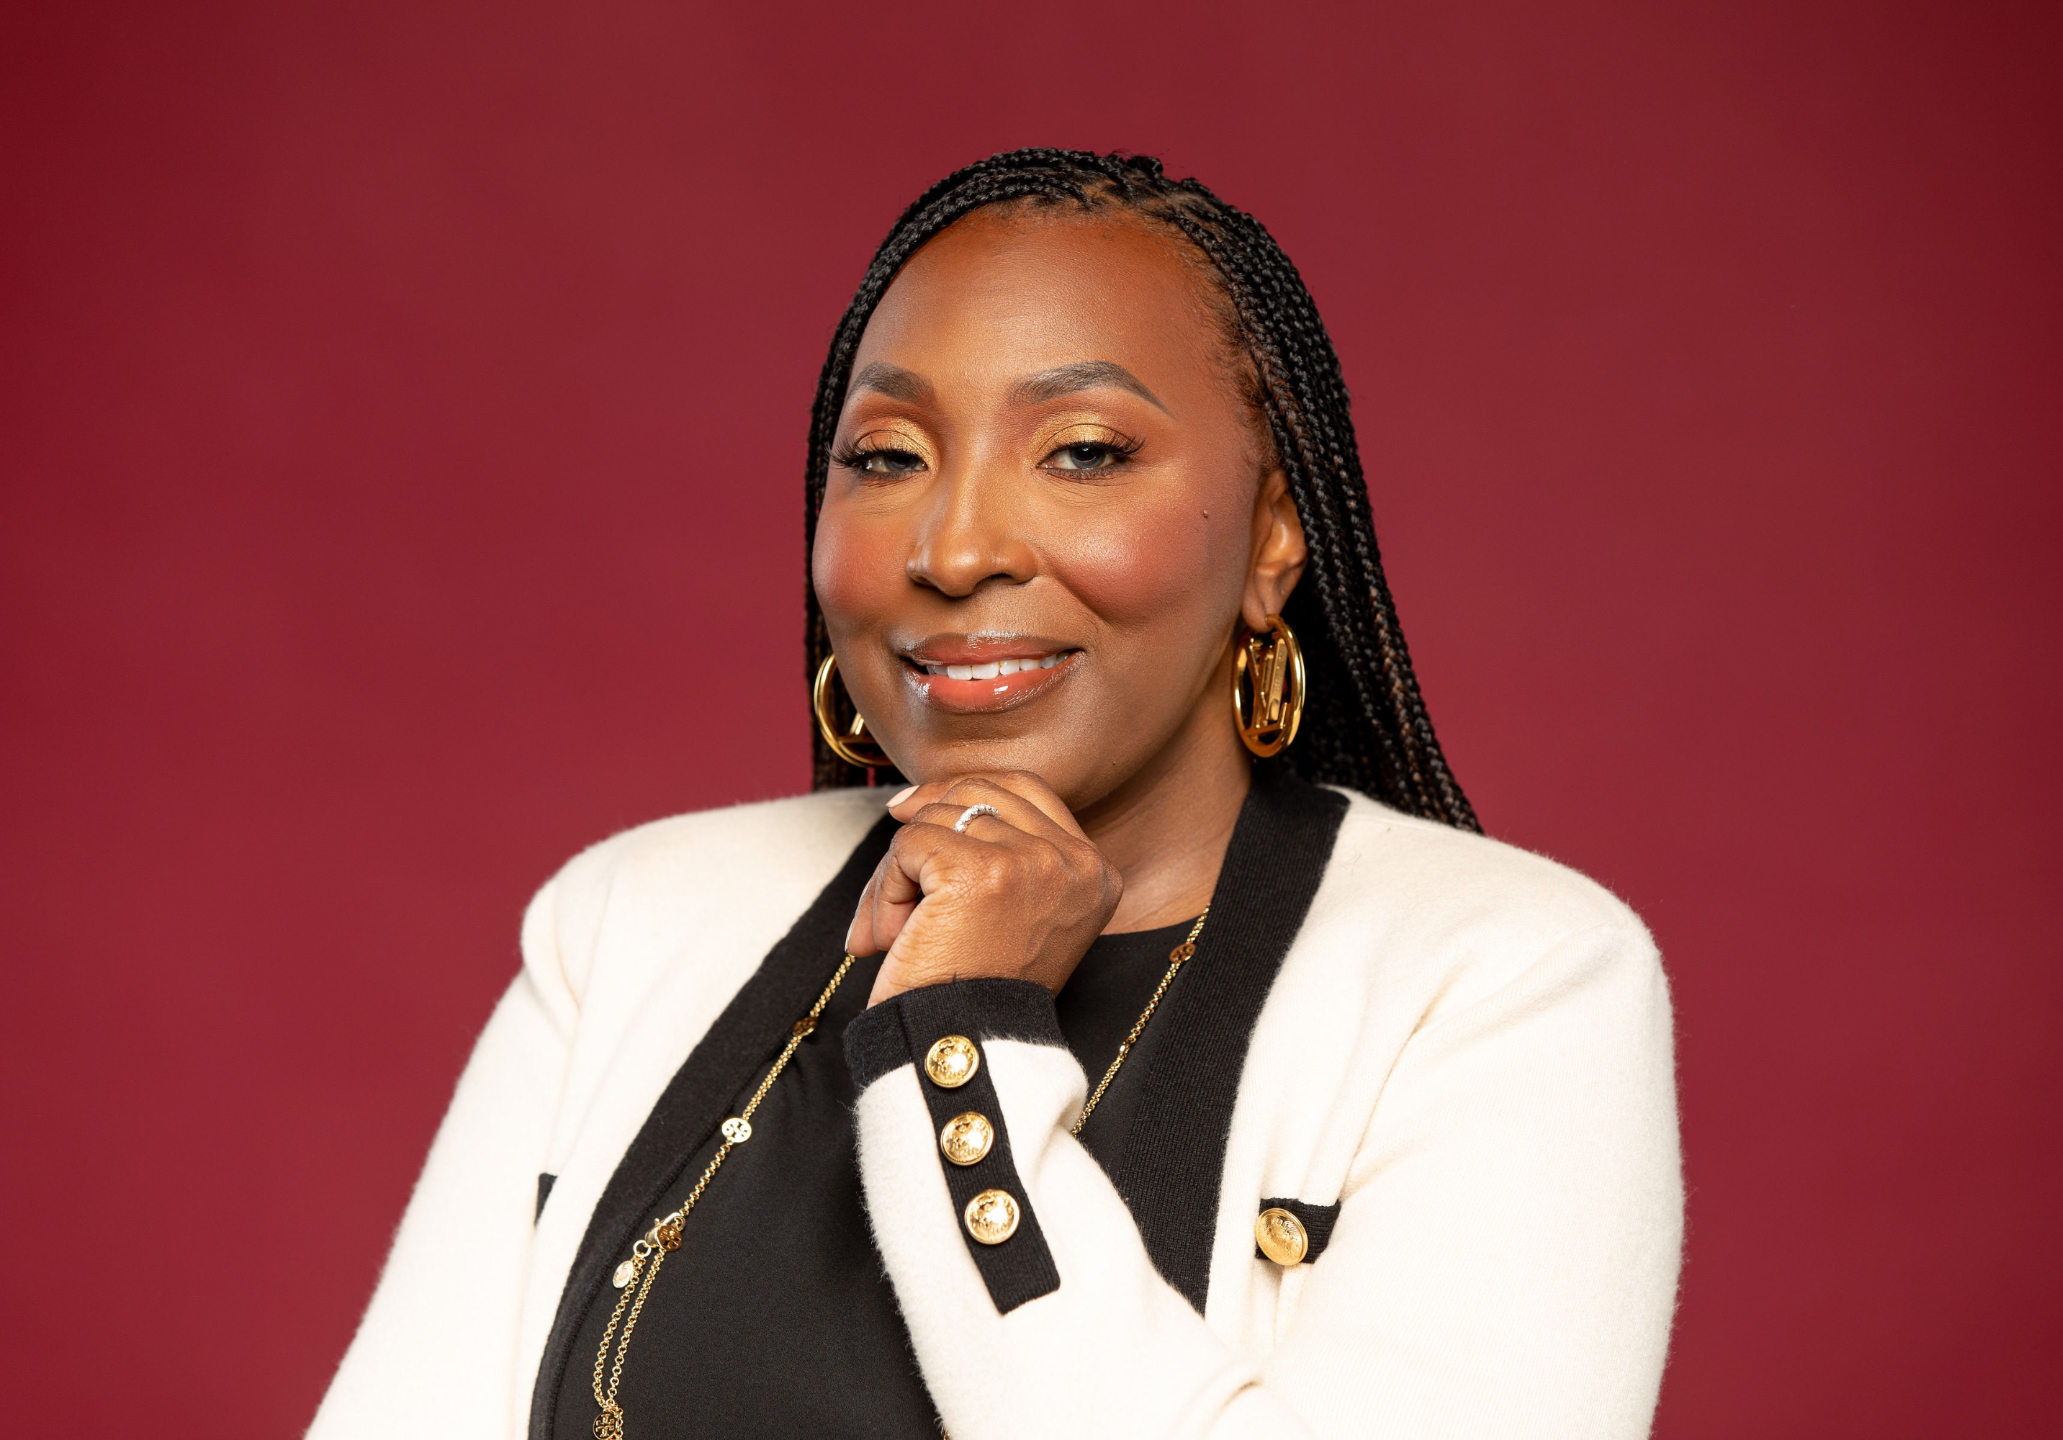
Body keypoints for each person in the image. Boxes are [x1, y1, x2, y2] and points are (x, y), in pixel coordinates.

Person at [308, 149, 1682, 1440]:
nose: (955, 549)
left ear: (1273, 534)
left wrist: (959, 1036)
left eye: (1082, 451)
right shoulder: (631, 925)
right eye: (887, 457)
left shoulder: (1508, 983)